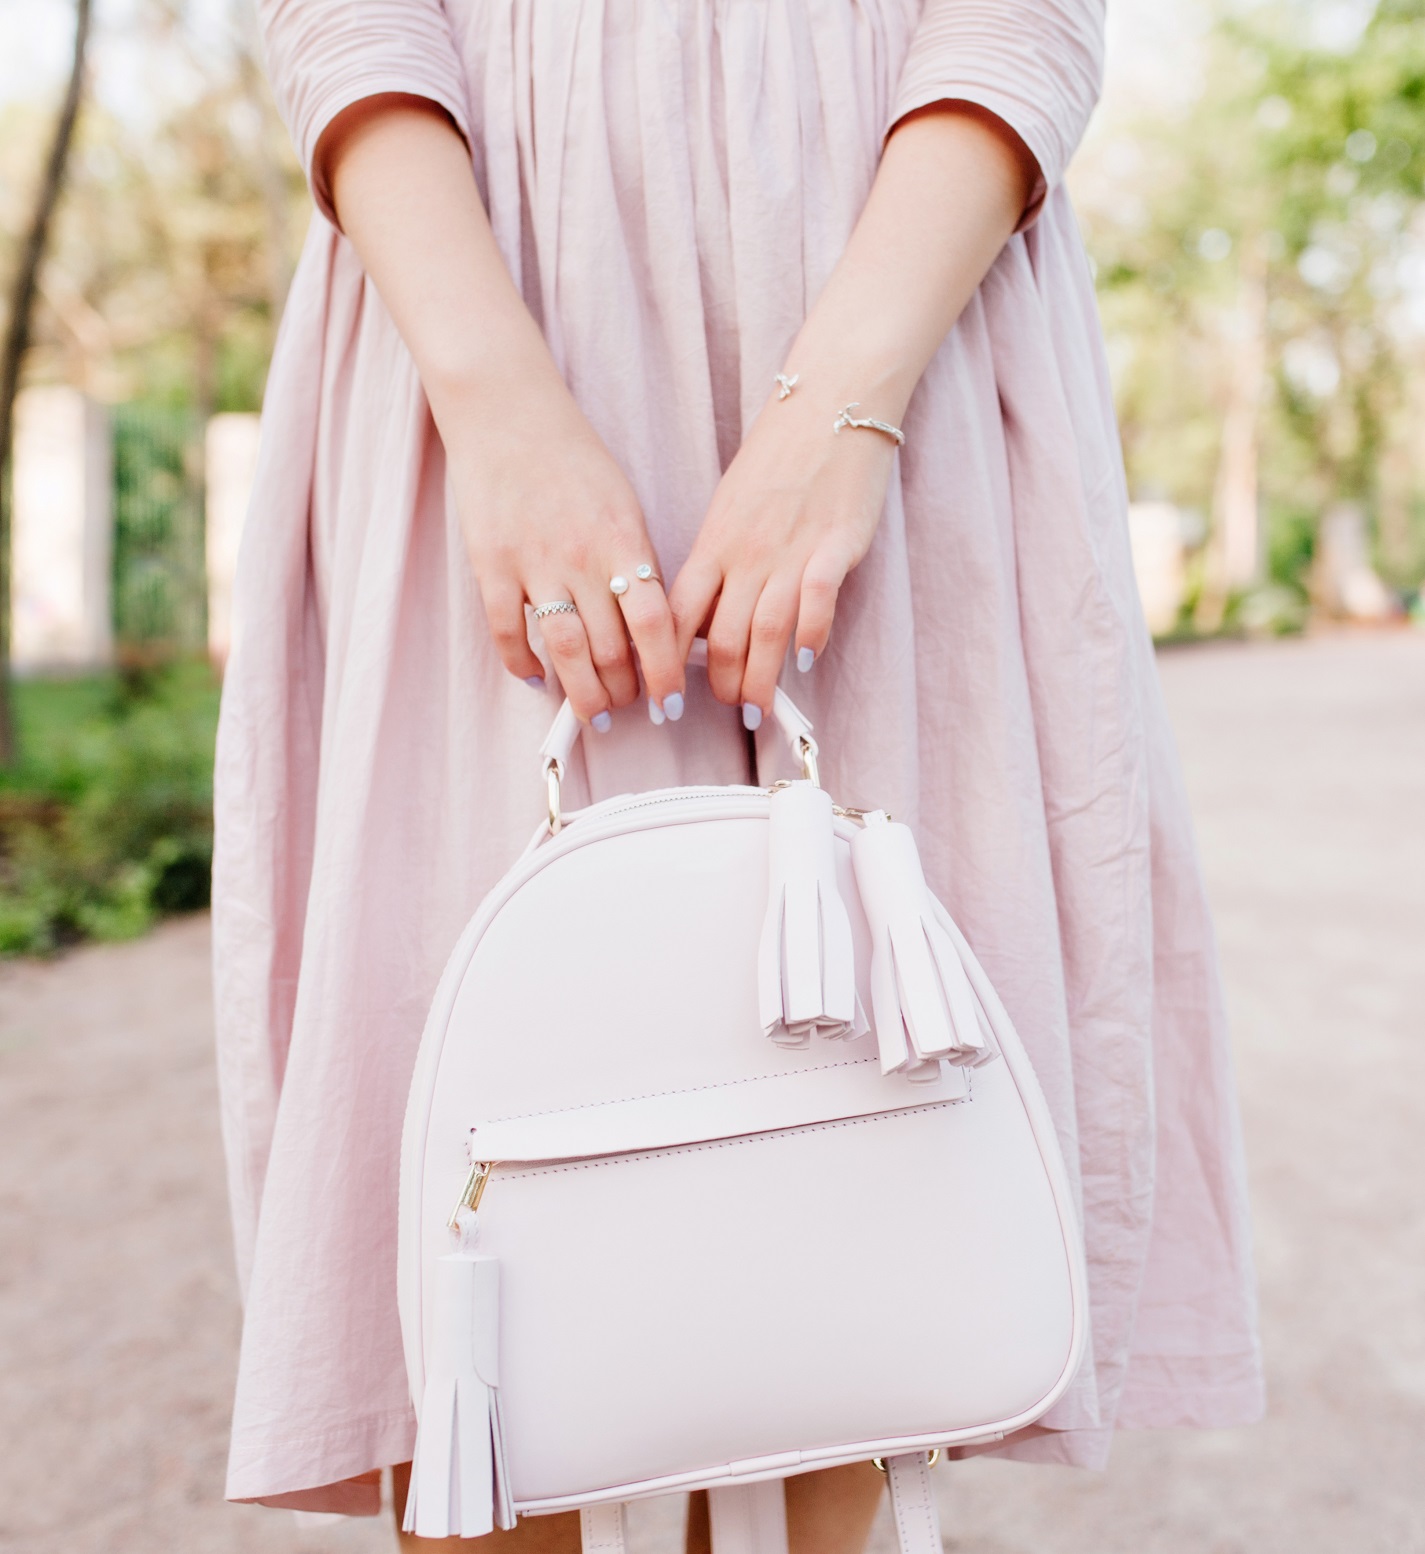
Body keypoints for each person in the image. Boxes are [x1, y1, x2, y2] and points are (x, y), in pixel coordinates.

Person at [214, 3, 1264, 1549]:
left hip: (882, 268)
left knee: (834, 1226)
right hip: (475, 275)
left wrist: (842, 403)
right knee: (490, 1268)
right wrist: (494, 397)